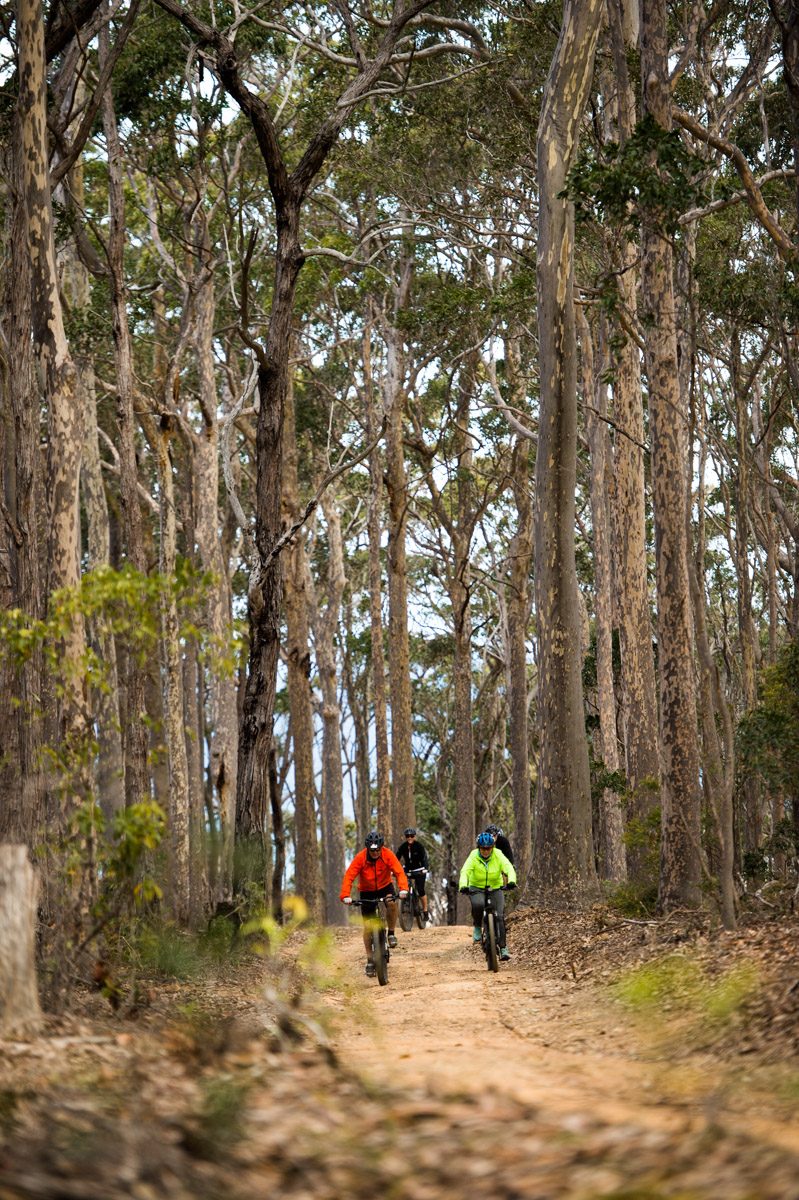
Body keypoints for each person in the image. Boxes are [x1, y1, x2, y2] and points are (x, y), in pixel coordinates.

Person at [340, 832, 409, 976]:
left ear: (381, 847)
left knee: (391, 903)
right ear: (367, 849)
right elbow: (349, 875)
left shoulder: (388, 854)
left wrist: (403, 888)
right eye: (372, 850)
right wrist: (345, 895)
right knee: (368, 927)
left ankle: (391, 933)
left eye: (378, 849)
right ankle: (370, 959)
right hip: (367, 890)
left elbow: (399, 872)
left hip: (385, 887)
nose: (376, 853)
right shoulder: (360, 858)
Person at [458, 830, 516, 961]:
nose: (485, 851)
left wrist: (511, 881)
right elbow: (465, 871)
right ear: (479, 848)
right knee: (478, 905)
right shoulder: (473, 855)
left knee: (500, 916)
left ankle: (503, 948)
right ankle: (478, 927)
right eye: (483, 849)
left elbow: (508, 867)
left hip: (495, 887)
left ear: (492, 847)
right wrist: (463, 885)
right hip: (476, 887)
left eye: (488, 848)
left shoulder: (498, 854)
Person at [395, 827, 432, 923]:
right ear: (405, 837)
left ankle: (425, 911)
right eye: (407, 836)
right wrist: (392, 870)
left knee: (420, 890)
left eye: (411, 836)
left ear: (414, 836)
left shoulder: (419, 846)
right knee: (404, 886)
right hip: (408, 870)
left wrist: (426, 869)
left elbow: (425, 859)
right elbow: (395, 859)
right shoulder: (403, 847)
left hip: (420, 870)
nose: (410, 838)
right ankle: (407, 901)